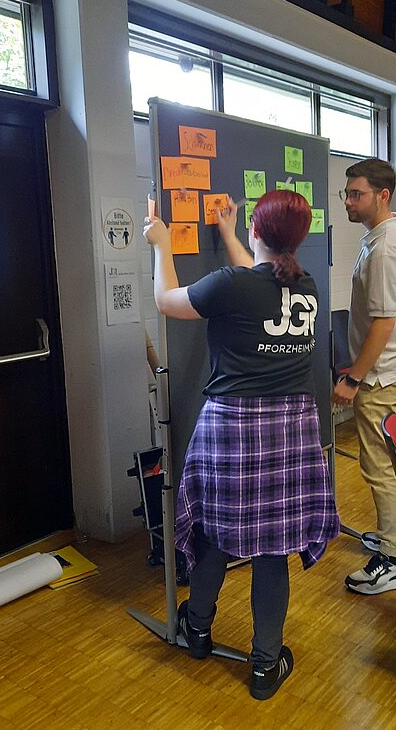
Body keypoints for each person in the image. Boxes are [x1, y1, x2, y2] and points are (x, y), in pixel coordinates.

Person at [143, 190, 339, 700]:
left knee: (215, 533)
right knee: (272, 549)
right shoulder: (307, 286)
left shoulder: (232, 285)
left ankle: (196, 630)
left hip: (233, 427)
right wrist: (229, 234)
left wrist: (161, 244)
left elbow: (166, 301)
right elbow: (257, 278)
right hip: (292, 430)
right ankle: (265, 667)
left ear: (257, 229)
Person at [332, 158, 396, 595]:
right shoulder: (392, 234)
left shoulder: (386, 248)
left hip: (382, 376)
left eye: (357, 194)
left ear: (382, 195)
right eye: (347, 193)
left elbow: (383, 323)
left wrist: (353, 379)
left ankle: (392, 561)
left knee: (379, 467)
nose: (348, 201)